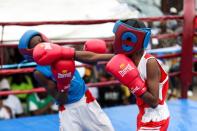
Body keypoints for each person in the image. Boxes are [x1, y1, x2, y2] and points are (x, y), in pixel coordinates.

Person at [32, 19, 170, 131]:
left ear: (128, 39)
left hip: (156, 117)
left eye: (117, 37)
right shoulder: (124, 58)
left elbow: (153, 102)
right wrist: (64, 52)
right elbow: (93, 57)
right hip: (143, 115)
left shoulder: (149, 63)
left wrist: (133, 83)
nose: (114, 40)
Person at [18, 30, 114, 131]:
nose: (43, 44)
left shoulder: (61, 51)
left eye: (41, 40)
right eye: (38, 44)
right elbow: (60, 100)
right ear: (31, 53)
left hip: (86, 100)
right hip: (68, 110)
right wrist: (64, 84)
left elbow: (92, 57)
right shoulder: (40, 73)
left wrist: (116, 56)